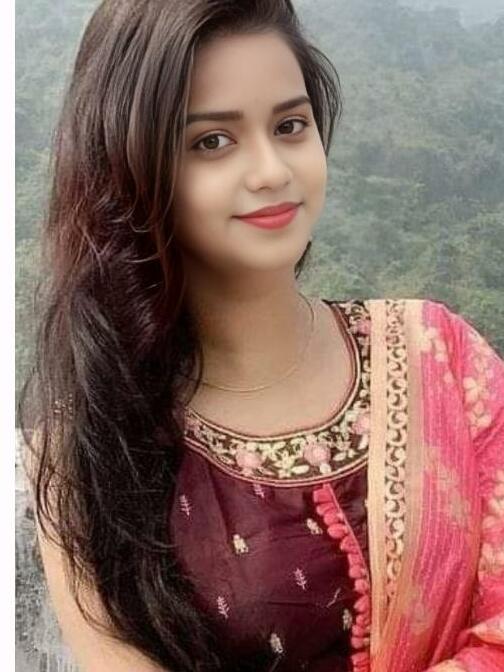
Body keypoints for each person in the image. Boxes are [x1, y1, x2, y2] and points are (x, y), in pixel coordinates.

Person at [17, 1, 504, 671]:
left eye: (290, 126)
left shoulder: (441, 356)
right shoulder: (93, 448)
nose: (272, 170)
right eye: (212, 141)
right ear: (131, 169)